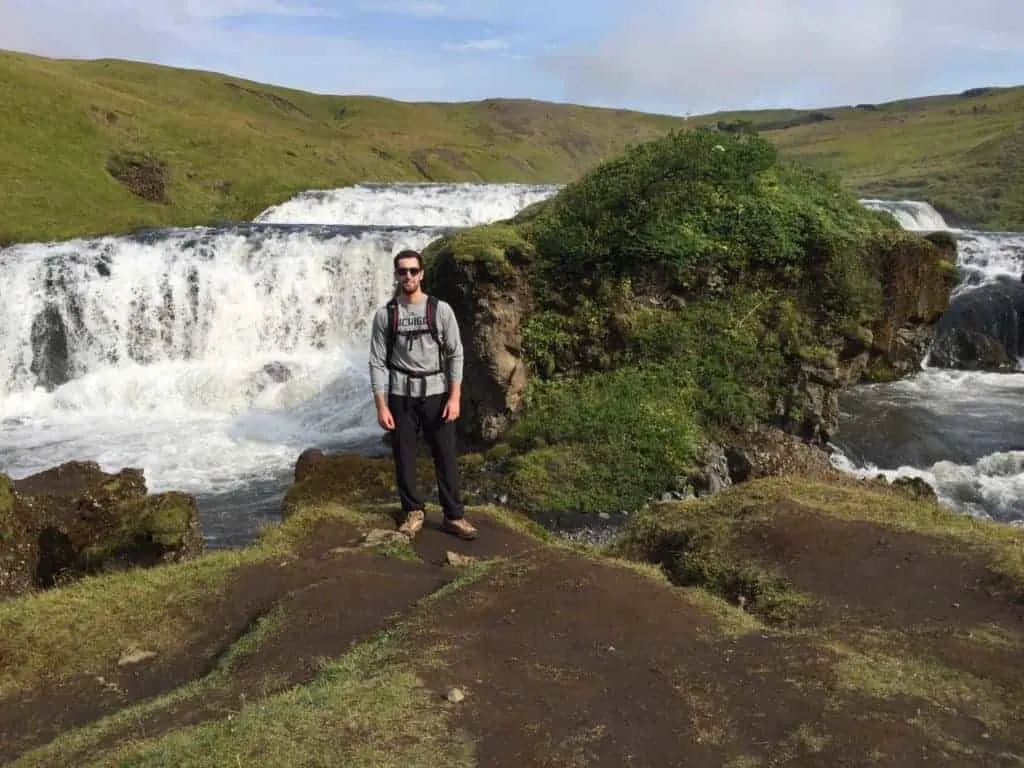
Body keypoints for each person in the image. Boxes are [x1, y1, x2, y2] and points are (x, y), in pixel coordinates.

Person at [368, 249, 478, 540]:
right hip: (400, 395)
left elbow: (456, 354)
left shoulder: (440, 310)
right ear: (396, 275)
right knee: (404, 456)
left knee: (445, 456)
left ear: (422, 274)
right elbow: (377, 362)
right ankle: (413, 511)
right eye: (402, 271)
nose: (408, 276)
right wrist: (381, 406)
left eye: (413, 271)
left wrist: (454, 398)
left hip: (437, 393)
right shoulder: (386, 315)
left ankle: (454, 516)